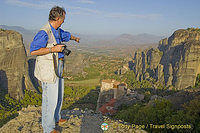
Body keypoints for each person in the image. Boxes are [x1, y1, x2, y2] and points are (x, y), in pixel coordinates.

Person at [30, 6, 79, 133]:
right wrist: (53, 49)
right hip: (48, 69)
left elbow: (65, 35)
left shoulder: (57, 30)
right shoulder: (44, 32)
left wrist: (75, 38)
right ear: (58, 18)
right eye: (63, 18)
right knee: (49, 98)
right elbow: (33, 51)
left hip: (59, 65)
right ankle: (48, 128)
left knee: (58, 95)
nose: (64, 20)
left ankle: (56, 118)